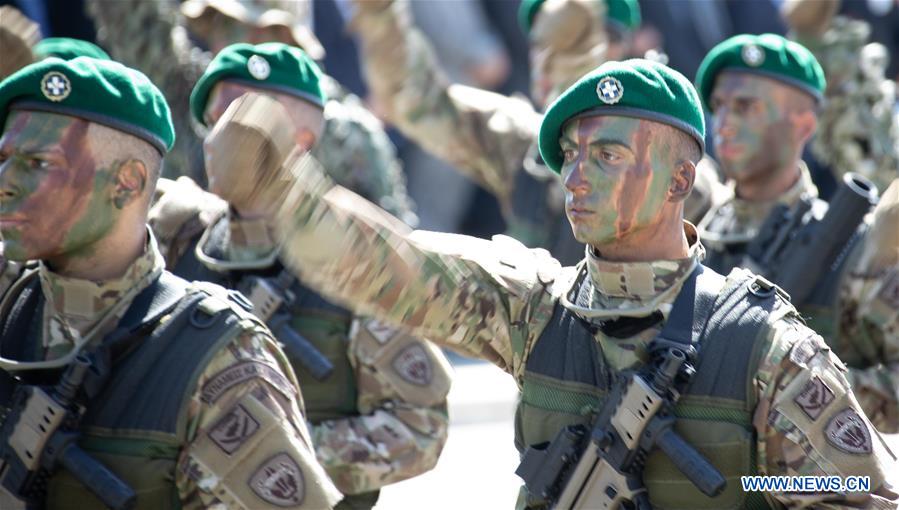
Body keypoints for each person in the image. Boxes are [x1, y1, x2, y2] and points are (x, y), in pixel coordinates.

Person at [212, 58, 897, 508]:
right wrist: (286, 193)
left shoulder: (762, 345)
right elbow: (400, 271)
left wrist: (752, 483)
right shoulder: (536, 308)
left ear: (679, 181)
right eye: (570, 156)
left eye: (607, 155)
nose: (575, 177)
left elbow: (852, 490)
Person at [0, 56, 341, 509]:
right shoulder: (12, 308)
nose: (5, 182)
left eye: (38, 163)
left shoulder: (214, 355)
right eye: (3, 158)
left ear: (126, 182)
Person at [149, 44, 451, 510]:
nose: (216, 139)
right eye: (213, 122)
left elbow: (419, 428)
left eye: (240, 120)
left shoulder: (360, 257)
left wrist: (272, 458)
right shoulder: (176, 240)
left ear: (303, 139)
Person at [695, 33, 899, 431]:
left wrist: (800, 390)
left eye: (746, 107)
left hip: (808, 488)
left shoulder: (851, 250)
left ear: (804, 125)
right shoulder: (691, 235)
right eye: (719, 106)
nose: (723, 124)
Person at [83, 0, 416, 226]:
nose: (233, 39)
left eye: (252, 28)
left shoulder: (342, 128)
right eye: (222, 24)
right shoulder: (189, 92)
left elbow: (394, 252)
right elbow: (134, 23)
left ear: (285, 37)